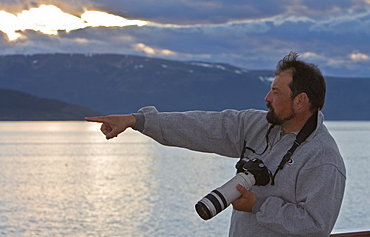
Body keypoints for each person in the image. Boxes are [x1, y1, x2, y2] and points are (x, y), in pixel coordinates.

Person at [85, 52, 346, 237]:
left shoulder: (322, 157)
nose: (266, 97)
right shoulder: (256, 126)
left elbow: (316, 225)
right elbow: (200, 126)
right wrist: (137, 121)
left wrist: (258, 206)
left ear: (300, 101)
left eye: (276, 92)